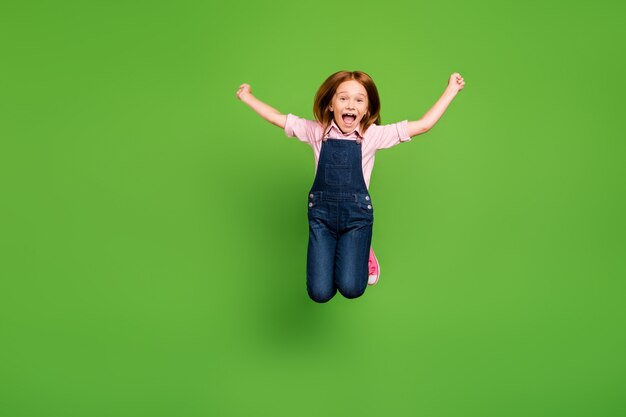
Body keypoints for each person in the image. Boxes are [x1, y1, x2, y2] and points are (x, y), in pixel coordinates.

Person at [236, 70, 465, 302]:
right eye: (343, 98)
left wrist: (451, 90)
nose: (351, 105)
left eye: (359, 99)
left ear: (367, 109)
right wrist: (248, 97)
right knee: (319, 293)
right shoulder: (317, 131)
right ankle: (353, 251)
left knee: (352, 288)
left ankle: (363, 249)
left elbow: (424, 125)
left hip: (356, 218)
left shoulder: (373, 135)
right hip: (321, 219)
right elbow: (277, 117)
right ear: (330, 105)